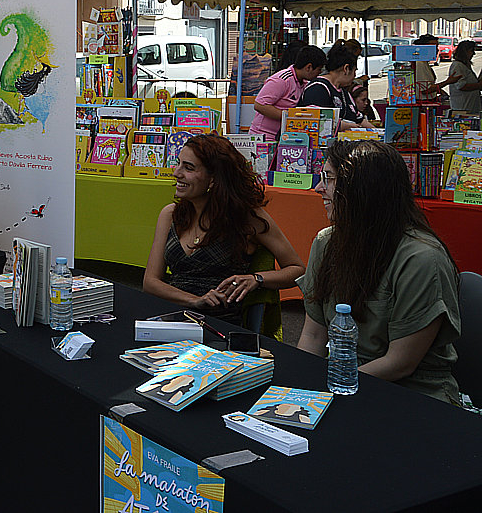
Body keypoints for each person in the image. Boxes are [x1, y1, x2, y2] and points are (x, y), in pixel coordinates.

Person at [298, 141, 461, 404]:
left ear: (362, 189)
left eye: (328, 179)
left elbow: (400, 363)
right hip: (340, 383)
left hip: (411, 394)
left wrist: (330, 387)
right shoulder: (326, 242)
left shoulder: (421, 259)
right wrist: (300, 388)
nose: (318, 188)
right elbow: (313, 335)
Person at [142, 134, 304, 324]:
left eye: (188, 167)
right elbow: (150, 282)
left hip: (218, 324)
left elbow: (297, 270)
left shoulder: (247, 218)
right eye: (178, 164)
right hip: (170, 316)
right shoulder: (171, 215)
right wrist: (194, 300)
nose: (176, 173)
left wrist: (256, 279)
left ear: (213, 179)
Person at [248, 45, 325, 141]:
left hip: (284, 137)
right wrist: (290, 116)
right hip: (264, 137)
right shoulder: (282, 80)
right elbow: (260, 105)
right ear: (308, 67)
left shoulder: (304, 83)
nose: (319, 73)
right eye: (319, 69)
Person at [297, 45, 365, 128]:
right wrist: (351, 126)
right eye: (354, 71)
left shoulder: (345, 93)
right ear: (346, 69)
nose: (355, 76)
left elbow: (360, 120)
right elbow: (317, 122)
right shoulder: (317, 89)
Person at [445, 40, 482, 114]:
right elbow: (461, 86)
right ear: (465, 52)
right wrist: (479, 85)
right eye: (471, 51)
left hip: (471, 107)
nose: (473, 54)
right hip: (462, 108)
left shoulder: (465, 65)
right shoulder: (458, 66)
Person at [412, 34, 441, 101]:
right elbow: (425, 90)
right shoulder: (420, 63)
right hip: (423, 101)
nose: (437, 50)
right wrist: (447, 82)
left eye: (437, 47)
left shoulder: (424, 63)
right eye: (434, 47)